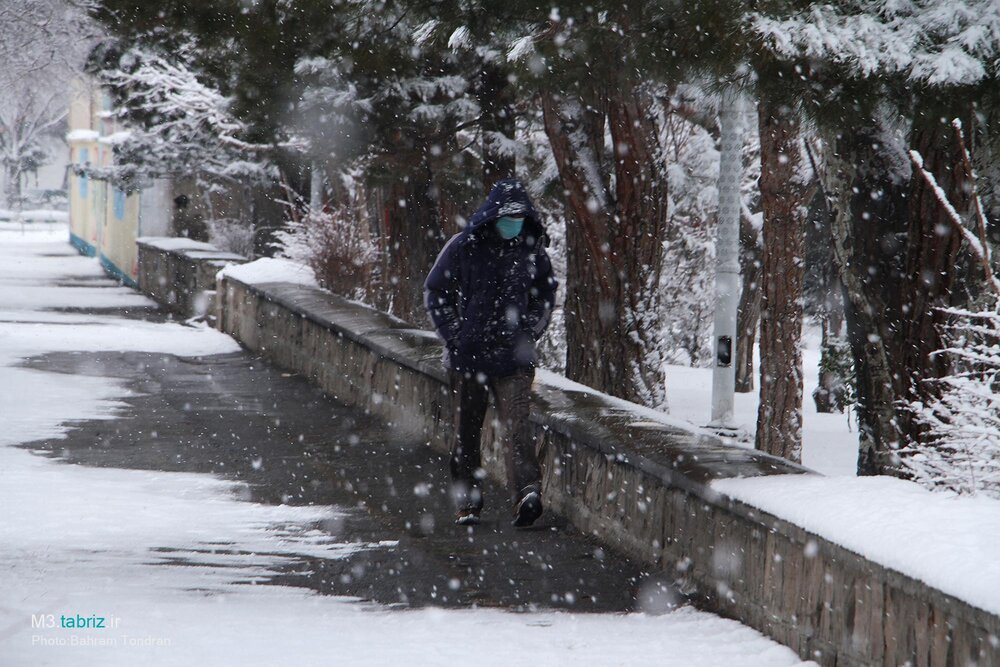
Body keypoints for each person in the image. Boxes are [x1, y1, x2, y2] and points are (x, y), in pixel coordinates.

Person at [424, 179, 558, 527]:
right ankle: (467, 501)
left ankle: (526, 494)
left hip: (513, 361)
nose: (513, 222)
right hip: (468, 359)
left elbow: (545, 297)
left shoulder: (532, 252)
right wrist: (454, 336)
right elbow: (436, 291)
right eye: (508, 216)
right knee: (465, 433)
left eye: (519, 216)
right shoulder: (463, 246)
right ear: (493, 215)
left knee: (518, 429)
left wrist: (528, 330)